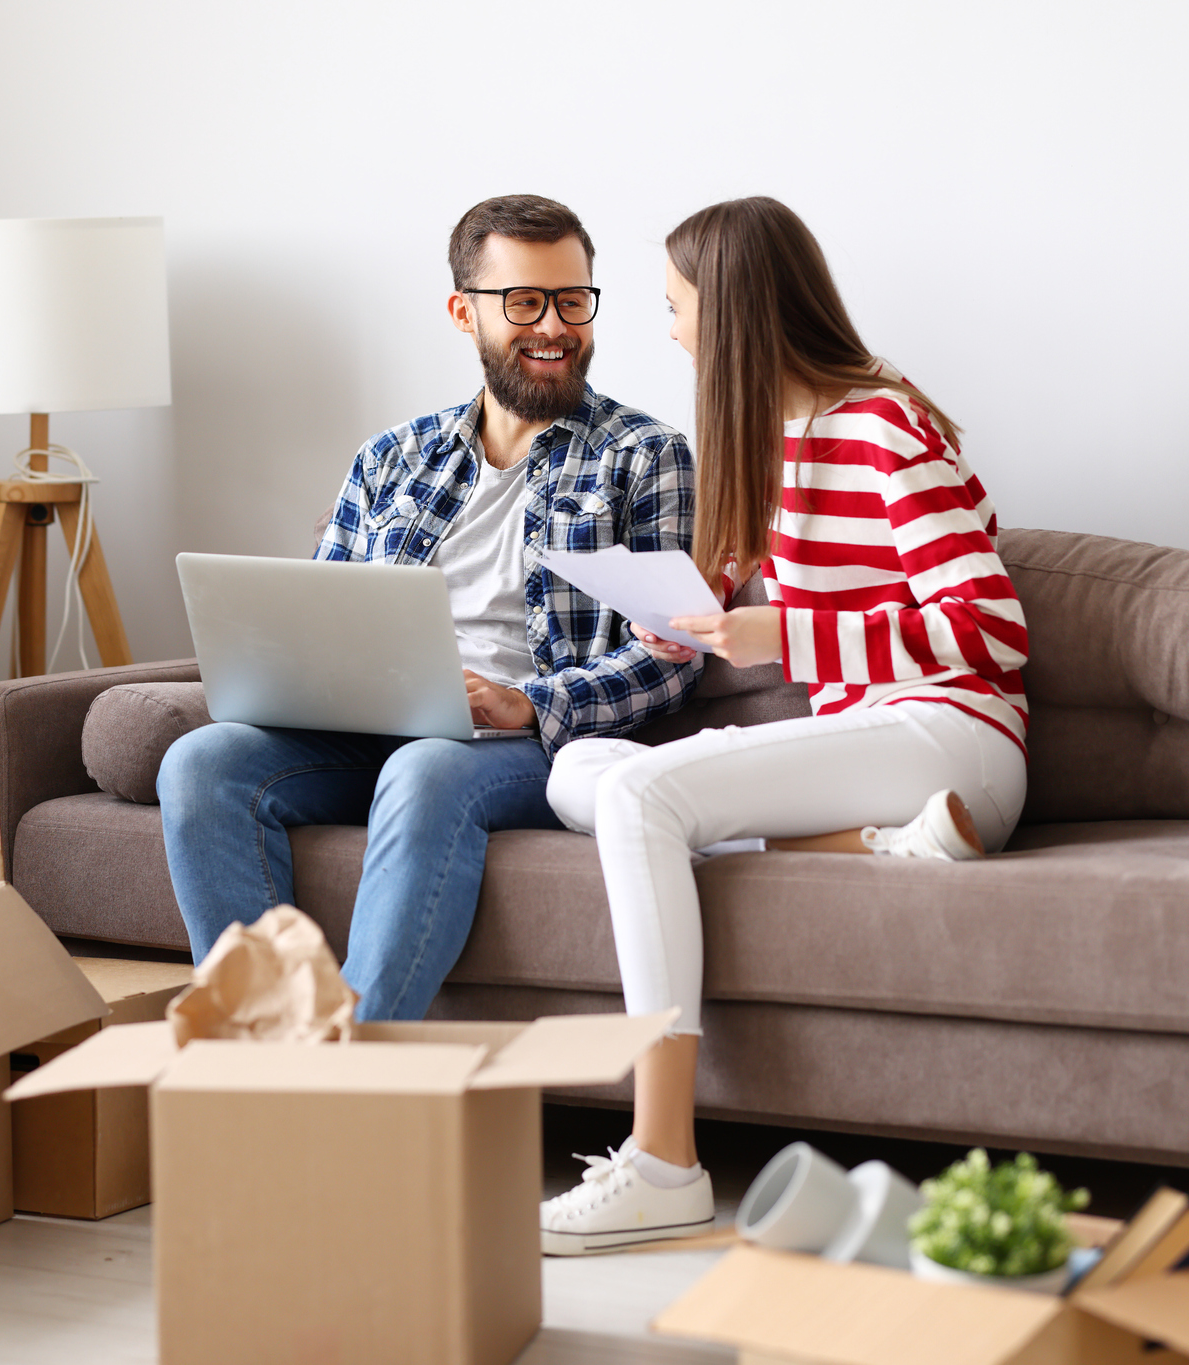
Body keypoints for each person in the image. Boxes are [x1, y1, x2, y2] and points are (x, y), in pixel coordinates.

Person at [536, 197, 1030, 1254]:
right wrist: (690, 627)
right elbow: (754, 618)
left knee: (638, 796)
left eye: (674, 308)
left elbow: (985, 631)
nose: (666, 332)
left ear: (729, 313)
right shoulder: (772, 442)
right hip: (876, 767)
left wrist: (791, 637)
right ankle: (880, 848)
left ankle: (661, 1158)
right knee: (577, 770)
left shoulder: (884, 424)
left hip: (951, 733)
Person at [157, 194, 701, 1020]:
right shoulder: (392, 457)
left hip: (518, 745)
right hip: (369, 731)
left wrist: (528, 702)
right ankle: (258, 1053)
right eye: (523, 301)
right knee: (200, 763)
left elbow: (669, 655)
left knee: (424, 766)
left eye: (572, 300)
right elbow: (321, 611)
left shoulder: (645, 455)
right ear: (463, 311)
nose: (553, 326)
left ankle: (361, 1065)